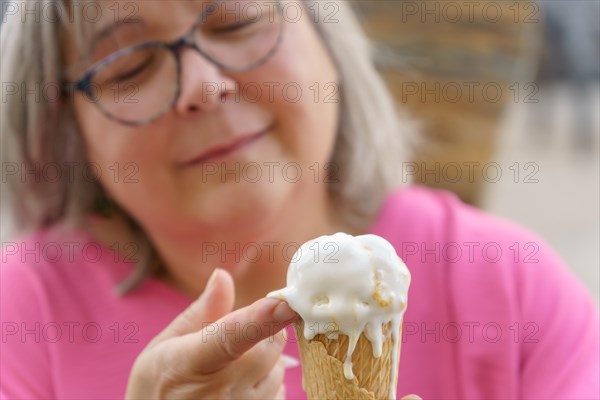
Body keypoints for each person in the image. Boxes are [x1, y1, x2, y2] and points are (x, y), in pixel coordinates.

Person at [1, 1, 598, 399]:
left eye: (236, 20)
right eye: (126, 66)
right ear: (64, 127)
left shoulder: (510, 287)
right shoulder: (21, 315)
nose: (204, 85)